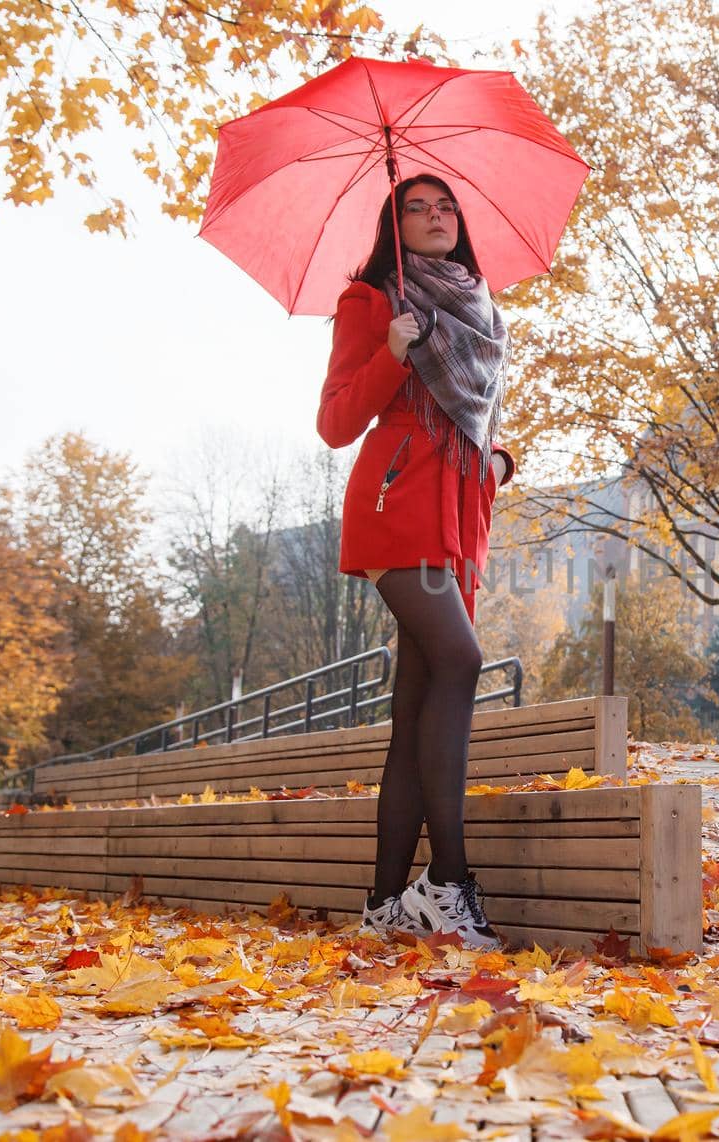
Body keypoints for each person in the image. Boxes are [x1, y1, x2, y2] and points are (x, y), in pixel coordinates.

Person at [316, 174, 515, 950]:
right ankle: (449, 882)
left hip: (458, 513)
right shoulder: (371, 303)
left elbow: (480, 414)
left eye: (446, 207)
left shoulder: (479, 306)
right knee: (461, 662)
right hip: (395, 507)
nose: (436, 217)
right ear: (394, 224)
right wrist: (393, 354)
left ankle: (383, 904)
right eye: (417, 208)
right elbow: (335, 422)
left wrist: (500, 461)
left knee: (414, 713)